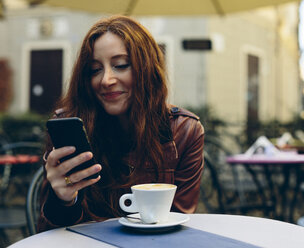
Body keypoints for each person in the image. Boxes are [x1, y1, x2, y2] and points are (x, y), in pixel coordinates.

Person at [37, 15, 204, 232]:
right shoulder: (66, 127)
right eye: (95, 69)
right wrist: (62, 200)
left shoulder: (184, 131)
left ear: (147, 69)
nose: (106, 80)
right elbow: (47, 234)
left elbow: (179, 225)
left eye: (121, 65)